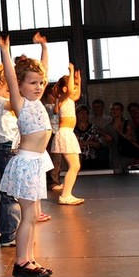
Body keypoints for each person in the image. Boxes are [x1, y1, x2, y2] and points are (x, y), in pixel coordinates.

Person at [0, 32, 53, 277]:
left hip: (36, 164)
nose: (38, 87)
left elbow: (44, 69)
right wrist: (4, 51)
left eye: (41, 83)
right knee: (28, 216)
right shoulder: (21, 103)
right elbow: (10, 75)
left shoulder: (37, 101)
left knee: (34, 215)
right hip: (27, 164)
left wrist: (44, 47)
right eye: (32, 83)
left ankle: (30, 259)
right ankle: (21, 262)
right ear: (20, 85)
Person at [50, 64, 84, 205]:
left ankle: (66, 193)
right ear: (65, 89)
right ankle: (65, 195)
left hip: (68, 133)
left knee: (75, 166)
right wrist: (71, 72)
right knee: (74, 166)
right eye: (73, 87)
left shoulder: (69, 99)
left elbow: (77, 94)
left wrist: (79, 81)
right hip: (65, 133)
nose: (74, 90)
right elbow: (71, 90)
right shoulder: (63, 98)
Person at [74, 104, 108, 169]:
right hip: (75, 159)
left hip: (91, 160)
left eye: (85, 113)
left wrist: (91, 143)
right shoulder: (72, 129)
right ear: (77, 115)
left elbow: (99, 144)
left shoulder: (94, 128)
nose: (83, 115)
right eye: (81, 113)